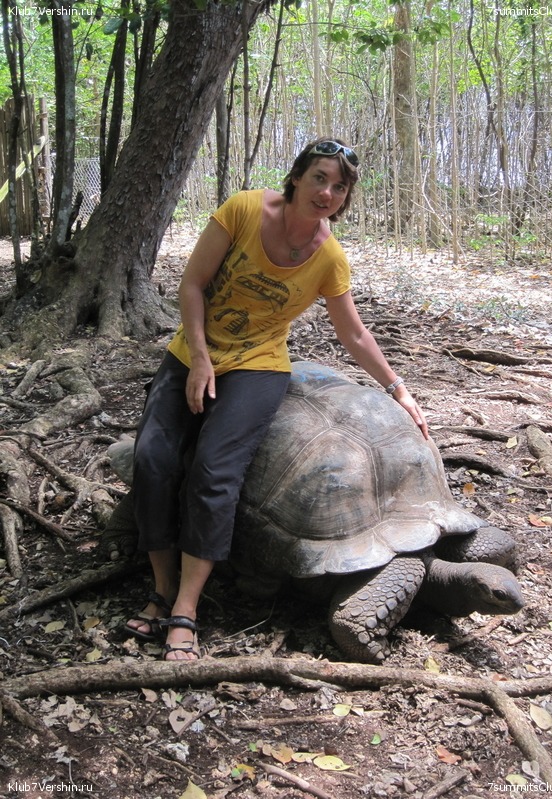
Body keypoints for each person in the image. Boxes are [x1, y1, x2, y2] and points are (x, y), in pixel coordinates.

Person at [125, 137, 429, 660]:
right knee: (153, 458)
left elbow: (353, 334)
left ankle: (187, 608)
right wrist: (199, 358)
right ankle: (161, 586)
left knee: (215, 472)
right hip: (192, 352)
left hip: (259, 365)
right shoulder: (243, 210)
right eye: (319, 178)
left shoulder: (328, 257)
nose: (327, 192)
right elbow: (192, 286)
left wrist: (397, 388)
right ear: (296, 178)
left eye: (339, 187)